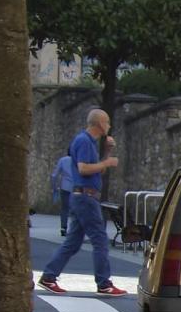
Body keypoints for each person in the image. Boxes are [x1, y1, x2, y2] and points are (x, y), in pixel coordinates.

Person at [38, 109, 127, 296]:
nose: (109, 126)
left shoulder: (88, 142)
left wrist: (107, 152)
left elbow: (97, 170)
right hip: (86, 197)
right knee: (100, 239)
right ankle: (104, 283)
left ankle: (49, 276)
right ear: (100, 124)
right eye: (107, 122)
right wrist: (107, 162)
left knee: (73, 242)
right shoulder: (84, 141)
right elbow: (84, 169)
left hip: (82, 196)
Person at [50, 153, 73, 236]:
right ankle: (74, 229)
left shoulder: (63, 160)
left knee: (64, 208)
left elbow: (54, 175)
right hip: (76, 187)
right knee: (75, 208)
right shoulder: (79, 159)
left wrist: (54, 187)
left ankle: (63, 228)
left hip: (65, 186)